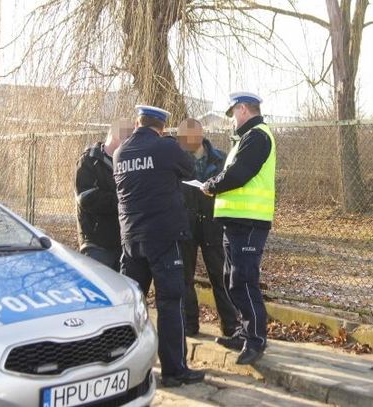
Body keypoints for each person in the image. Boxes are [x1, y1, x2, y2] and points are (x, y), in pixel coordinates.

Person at [113, 105, 205, 387]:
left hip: (131, 240)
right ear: (162, 127)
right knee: (169, 302)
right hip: (163, 238)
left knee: (131, 306)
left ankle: (127, 369)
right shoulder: (165, 148)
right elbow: (190, 167)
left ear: (137, 122)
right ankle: (174, 370)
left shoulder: (120, 153)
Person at [201, 92, 276, 365]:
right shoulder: (247, 138)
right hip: (236, 222)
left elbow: (239, 173)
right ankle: (244, 334)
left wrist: (211, 185)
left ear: (243, 109)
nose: (232, 119)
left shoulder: (257, 136)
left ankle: (256, 340)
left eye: (233, 113)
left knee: (243, 281)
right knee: (232, 280)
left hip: (249, 223)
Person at [176, 118, 238, 337]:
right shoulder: (178, 160)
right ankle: (190, 324)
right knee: (185, 277)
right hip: (186, 223)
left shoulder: (220, 159)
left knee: (220, 276)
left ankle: (230, 325)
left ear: (200, 136)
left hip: (213, 223)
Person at [75, 118, 132, 271]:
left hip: (122, 239)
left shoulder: (127, 162)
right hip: (97, 242)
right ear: (115, 135)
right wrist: (123, 200)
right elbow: (87, 198)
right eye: (128, 137)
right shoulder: (89, 160)